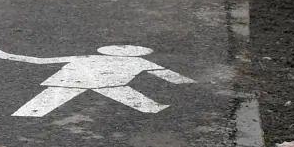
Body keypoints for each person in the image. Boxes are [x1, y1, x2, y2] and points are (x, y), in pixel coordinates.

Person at [11, 45, 190, 118]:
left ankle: (28, 116)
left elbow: (40, 61)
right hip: (110, 85)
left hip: (71, 82)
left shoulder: (86, 57)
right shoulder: (141, 61)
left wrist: (9, 56)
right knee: (144, 103)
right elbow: (172, 77)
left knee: (37, 107)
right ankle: (155, 109)